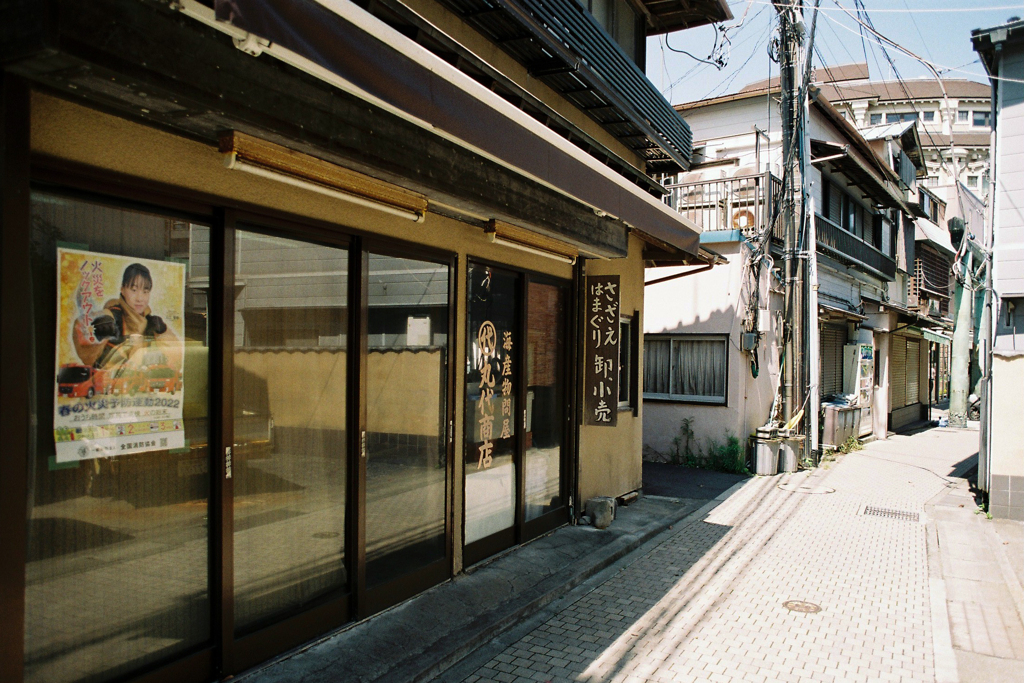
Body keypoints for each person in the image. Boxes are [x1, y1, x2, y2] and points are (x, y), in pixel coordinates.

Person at [73, 263, 180, 373]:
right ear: (122, 289)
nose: (140, 298)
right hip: (116, 385)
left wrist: (163, 332)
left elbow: (177, 357)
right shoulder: (111, 316)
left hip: (144, 384)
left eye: (145, 291)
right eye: (134, 290)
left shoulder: (152, 322)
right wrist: (97, 335)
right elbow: (86, 348)